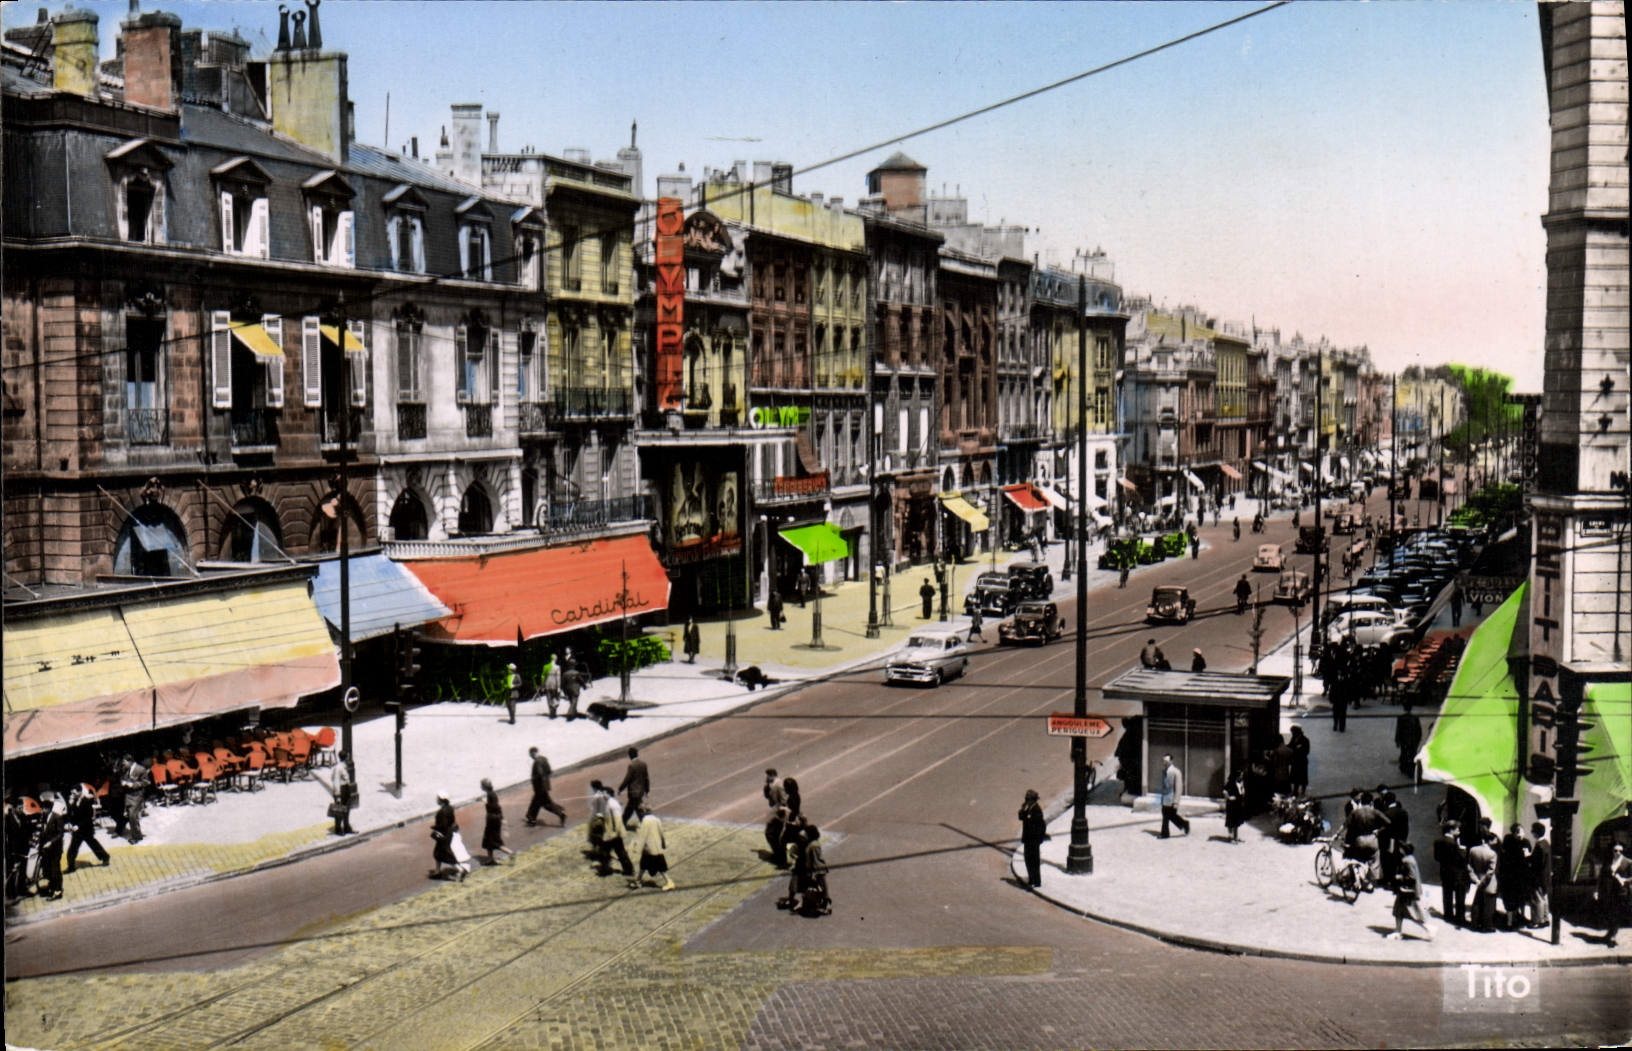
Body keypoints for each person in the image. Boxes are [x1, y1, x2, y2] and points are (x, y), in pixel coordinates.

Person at [1387, 843, 1434, 941]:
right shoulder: (1410, 858)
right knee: (1398, 910)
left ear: (1403, 850)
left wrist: (1400, 877)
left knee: (1412, 913)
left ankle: (1429, 928)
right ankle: (1397, 932)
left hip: (1407, 891)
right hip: (1407, 890)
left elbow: (1411, 877)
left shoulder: (1407, 861)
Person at [64, 783, 110, 872]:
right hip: (77, 830)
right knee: (72, 848)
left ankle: (105, 857)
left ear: (80, 792)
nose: (72, 795)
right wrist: (70, 805)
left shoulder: (86, 801)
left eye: (74, 793)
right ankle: (71, 866)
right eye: (71, 793)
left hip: (86, 829)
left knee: (93, 845)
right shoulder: (73, 801)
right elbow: (71, 815)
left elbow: (88, 817)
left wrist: (78, 825)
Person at [1594, 843, 1631, 948]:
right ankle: (1610, 932)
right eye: (1615, 851)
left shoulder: (1627, 862)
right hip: (1608, 891)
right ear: (1612, 851)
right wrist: (1596, 891)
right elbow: (1601, 877)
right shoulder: (1608, 862)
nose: (1618, 853)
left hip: (1621, 892)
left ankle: (1613, 936)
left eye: (1620, 851)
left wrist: (1625, 880)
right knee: (1609, 913)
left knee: (1617, 914)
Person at [629, 807, 675, 891]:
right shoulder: (656, 820)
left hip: (649, 848)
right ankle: (638, 881)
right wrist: (663, 844)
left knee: (660, 868)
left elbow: (642, 836)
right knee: (644, 865)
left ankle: (669, 882)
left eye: (641, 811)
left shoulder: (645, 821)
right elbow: (661, 832)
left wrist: (637, 849)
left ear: (644, 812)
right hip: (656, 847)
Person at [1434, 821, 1470, 927]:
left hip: (1444, 870)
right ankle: (1460, 918)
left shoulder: (1438, 841)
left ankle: (1448, 915)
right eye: (1457, 829)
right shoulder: (1453, 843)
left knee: (1447, 893)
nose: (1458, 831)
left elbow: (1436, 857)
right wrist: (1462, 851)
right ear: (1451, 830)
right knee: (1459, 895)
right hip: (1457, 873)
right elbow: (1461, 859)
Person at [595, 784, 635, 878]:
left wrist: (614, 833)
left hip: (613, 833)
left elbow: (617, 819)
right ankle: (628, 869)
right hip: (613, 833)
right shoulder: (610, 803)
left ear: (608, 794)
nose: (602, 795)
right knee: (620, 852)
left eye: (604, 793)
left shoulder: (612, 804)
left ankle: (605, 870)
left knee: (605, 852)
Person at [1499, 823, 1532, 931]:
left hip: (1519, 876)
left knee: (1519, 898)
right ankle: (1510, 921)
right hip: (1512, 876)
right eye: (1520, 832)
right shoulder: (1510, 841)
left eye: (1522, 831)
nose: (1522, 834)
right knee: (1511, 899)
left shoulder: (1524, 842)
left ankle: (1518, 917)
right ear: (1515, 833)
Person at [430, 791, 469, 881]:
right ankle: (437, 871)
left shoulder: (441, 812)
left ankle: (461, 869)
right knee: (437, 853)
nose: (437, 800)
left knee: (445, 854)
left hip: (443, 835)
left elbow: (443, 825)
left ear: (441, 800)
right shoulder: (450, 808)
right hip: (449, 833)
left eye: (438, 799)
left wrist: (434, 827)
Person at [524, 746, 567, 826]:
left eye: (530, 754)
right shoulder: (544, 759)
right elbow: (549, 771)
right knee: (536, 803)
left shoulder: (537, 762)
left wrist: (534, 778)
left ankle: (561, 813)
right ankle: (531, 818)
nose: (531, 756)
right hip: (545, 786)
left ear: (533, 753)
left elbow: (540, 773)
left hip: (540, 787)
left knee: (546, 804)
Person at [1468, 831, 1500, 932]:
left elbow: (1469, 866)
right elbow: (1490, 871)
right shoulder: (1492, 854)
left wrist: (1475, 879)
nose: (1496, 841)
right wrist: (1483, 882)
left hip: (1477, 878)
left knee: (1477, 902)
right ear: (1490, 841)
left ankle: (1475, 923)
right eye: (1494, 840)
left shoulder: (1473, 850)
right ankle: (1487, 926)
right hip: (1488, 882)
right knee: (1489, 904)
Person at [1018, 789, 1048, 888]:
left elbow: (1042, 825)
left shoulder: (1036, 810)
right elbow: (1021, 817)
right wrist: (1022, 809)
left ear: (1033, 800)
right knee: (1028, 859)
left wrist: (1039, 839)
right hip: (1028, 839)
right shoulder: (1028, 808)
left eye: (1027, 799)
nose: (1026, 800)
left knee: (1034, 861)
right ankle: (1031, 879)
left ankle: (1037, 881)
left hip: (1034, 840)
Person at [480, 778, 513, 865]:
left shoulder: (491, 795)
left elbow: (495, 807)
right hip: (493, 819)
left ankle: (510, 853)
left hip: (492, 821)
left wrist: (486, 803)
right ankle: (490, 859)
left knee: (494, 841)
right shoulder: (491, 794)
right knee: (488, 841)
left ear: (484, 787)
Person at [324, 752, 355, 835]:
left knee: (346, 809)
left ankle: (346, 827)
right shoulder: (339, 768)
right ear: (345, 758)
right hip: (341, 789)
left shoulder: (342, 767)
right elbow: (336, 781)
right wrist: (338, 795)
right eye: (347, 758)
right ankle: (338, 829)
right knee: (339, 810)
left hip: (345, 789)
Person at [1158, 754, 1189, 838]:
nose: (1165, 763)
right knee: (1166, 816)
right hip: (1165, 798)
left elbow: (1178, 788)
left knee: (1171, 816)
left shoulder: (1176, 772)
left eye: (1167, 761)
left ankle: (1184, 824)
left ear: (1171, 761)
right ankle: (1166, 833)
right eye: (1164, 761)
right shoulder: (1164, 771)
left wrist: (1176, 801)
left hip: (1172, 799)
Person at [120, 755, 149, 843]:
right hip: (128, 795)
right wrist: (123, 782)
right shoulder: (126, 769)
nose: (123, 765)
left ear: (130, 761)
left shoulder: (141, 769)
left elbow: (146, 782)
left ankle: (136, 837)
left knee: (132, 816)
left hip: (136, 796)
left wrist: (133, 785)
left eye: (124, 763)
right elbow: (124, 778)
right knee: (131, 816)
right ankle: (137, 834)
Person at [1528, 822, 1552, 930]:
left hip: (1538, 876)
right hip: (1546, 875)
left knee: (1537, 899)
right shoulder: (1546, 843)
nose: (1532, 832)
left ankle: (1537, 921)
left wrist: (1527, 857)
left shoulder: (1538, 846)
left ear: (1536, 833)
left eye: (1533, 831)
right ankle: (1546, 919)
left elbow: (1536, 863)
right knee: (1545, 898)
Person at [618, 746, 650, 816]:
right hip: (641, 791)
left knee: (632, 810)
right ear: (637, 754)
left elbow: (627, 779)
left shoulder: (632, 765)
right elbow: (646, 778)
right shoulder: (643, 764)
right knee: (633, 809)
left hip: (633, 793)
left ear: (630, 756)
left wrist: (620, 789)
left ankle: (624, 823)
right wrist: (647, 790)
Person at [1395, 706, 1423, 776]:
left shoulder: (1401, 718)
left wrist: (1397, 740)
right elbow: (1419, 730)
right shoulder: (1415, 718)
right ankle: (1410, 769)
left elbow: (1398, 730)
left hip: (1404, 740)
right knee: (1411, 754)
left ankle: (1405, 768)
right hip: (1412, 740)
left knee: (1404, 753)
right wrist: (1418, 740)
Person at [1223, 770, 1247, 843]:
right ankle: (1230, 837)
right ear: (1236, 776)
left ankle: (1236, 837)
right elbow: (1224, 791)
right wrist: (1229, 797)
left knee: (1237, 821)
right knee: (1231, 821)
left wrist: (1243, 789)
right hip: (1231, 805)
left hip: (1238, 805)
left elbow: (1242, 793)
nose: (1241, 777)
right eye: (1240, 775)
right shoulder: (1230, 783)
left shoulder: (1240, 784)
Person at [1288, 726, 1311, 797]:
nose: (1292, 734)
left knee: (1303, 777)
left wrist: (1298, 750)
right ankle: (1295, 791)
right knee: (1295, 777)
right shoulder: (1294, 738)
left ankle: (1303, 791)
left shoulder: (1305, 740)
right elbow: (1290, 746)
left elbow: (1307, 751)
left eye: (1293, 732)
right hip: (1295, 761)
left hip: (1302, 761)